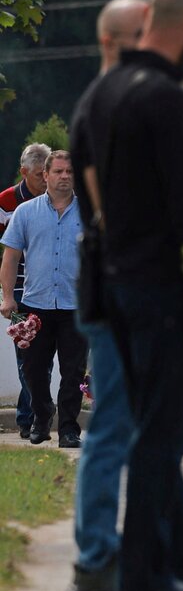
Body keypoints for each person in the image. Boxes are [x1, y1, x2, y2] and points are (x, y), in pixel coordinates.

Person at [70, 0, 183, 591]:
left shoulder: (101, 96)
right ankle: (135, 573)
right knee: (153, 432)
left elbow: (98, 201)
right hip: (157, 285)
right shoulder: (161, 98)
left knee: (151, 425)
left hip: (115, 280)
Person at [61, 0, 148, 591]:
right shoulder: (106, 109)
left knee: (133, 423)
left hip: (129, 281)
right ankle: (96, 558)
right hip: (122, 284)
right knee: (114, 423)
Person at [1, 150, 88, 447]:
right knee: (33, 369)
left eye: (69, 172)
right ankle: (41, 415)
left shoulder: (90, 214)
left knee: (73, 371)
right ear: (45, 175)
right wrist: (7, 297)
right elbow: (10, 257)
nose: (64, 176)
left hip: (76, 305)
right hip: (34, 304)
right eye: (59, 171)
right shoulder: (26, 212)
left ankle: (68, 429)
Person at [0, 141, 52, 439]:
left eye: (47, 173)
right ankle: (30, 415)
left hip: (48, 288)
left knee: (40, 357)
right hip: (19, 291)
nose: (44, 180)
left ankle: (31, 415)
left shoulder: (56, 199)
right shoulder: (7, 202)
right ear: (24, 172)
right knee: (28, 356)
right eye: (38, 175)